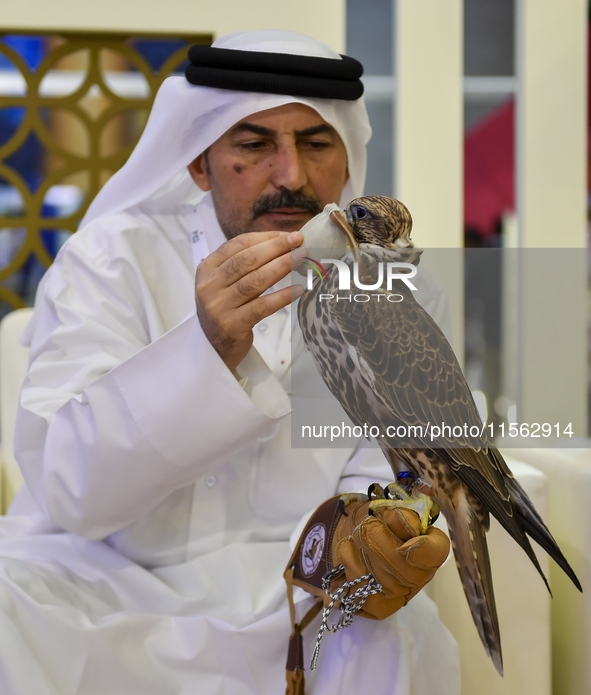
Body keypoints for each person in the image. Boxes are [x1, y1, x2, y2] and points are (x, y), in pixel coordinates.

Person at [0, 30, 460, 694]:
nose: (291, 177)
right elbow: (72, 491)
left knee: (394, 635)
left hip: (295, 589)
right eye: (253, 145)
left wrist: (373, 532)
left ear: (345, 158)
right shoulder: (109, 261)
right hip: (97, 579)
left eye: (314, 143)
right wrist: (205, 351)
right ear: (197, 162)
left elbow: (389, 472)